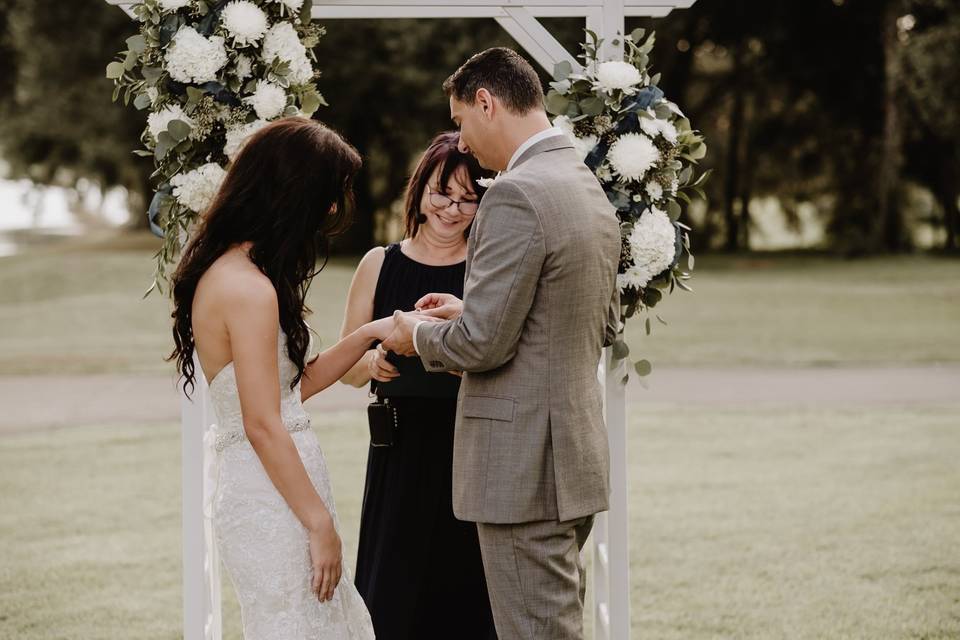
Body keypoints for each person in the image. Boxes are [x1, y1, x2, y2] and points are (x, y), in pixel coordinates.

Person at [382, 48, 622, 640]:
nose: (461, 142)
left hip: (523, 469)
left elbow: (481, 346)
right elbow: (598, 321)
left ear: (487, 102)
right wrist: (475, 310)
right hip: (571, 458)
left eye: (462, 121)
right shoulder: (582, 182)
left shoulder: (516, 193)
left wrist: (418, 334)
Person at [169, 117, 387, 640]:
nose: (334, 209)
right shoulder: (247, 288)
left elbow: (292, 389)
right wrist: (319, 523)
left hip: (280, 486)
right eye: (329, 194)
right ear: (294, 192)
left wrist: (372, 333)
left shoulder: (241, 271)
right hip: (274, 498)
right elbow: (263, 422)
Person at [339, 131, 497, 639]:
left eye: (468, 199)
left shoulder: (488, 269)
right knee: (393, 592)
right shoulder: (378, 263)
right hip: (398, 450)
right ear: (418, 188)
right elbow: (346, 365)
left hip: (470, 447)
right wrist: (375, 363)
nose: (452, 209)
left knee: (465, 593)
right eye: (441, 193)